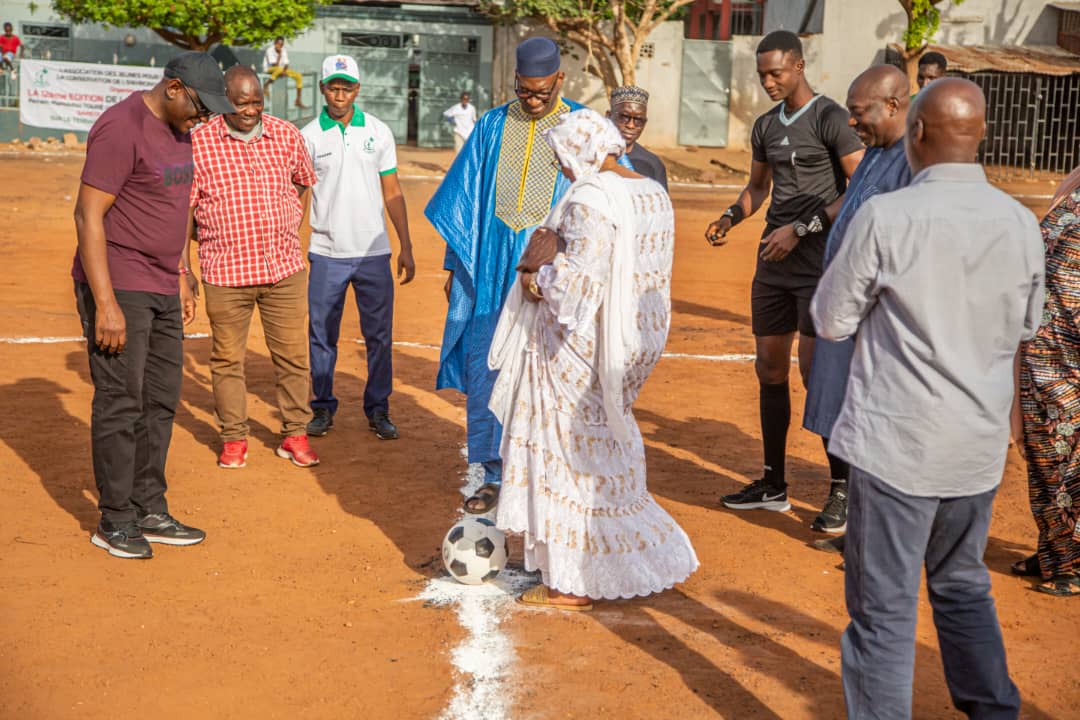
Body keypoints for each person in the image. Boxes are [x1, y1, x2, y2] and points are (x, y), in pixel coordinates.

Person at [813, 78, 1041, 719]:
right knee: (964, 586)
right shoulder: (1021, 223)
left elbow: (831, 319)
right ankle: (993, 710)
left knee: (882, 612)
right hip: (974, 449)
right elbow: (1028, 324)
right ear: (982, 135)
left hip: (896, 447)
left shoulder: (889, 216)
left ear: (915, 133)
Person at [491, 108, 698, 609]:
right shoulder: (652, 192)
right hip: (634, 343)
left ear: (578, 150)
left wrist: (532, 273)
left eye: (562, 158)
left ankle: (569, 581)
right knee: (608, 443)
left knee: (564, 449)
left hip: (580, 349)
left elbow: (575, 292)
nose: (562, 169)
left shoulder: (588, 199)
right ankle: (617, 556)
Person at [72, 52, 235, 559]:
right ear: (173, 88)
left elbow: (172, 210)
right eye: (199, 105)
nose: (204, 116)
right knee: (120, 401)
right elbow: (87, 215)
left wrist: (182, 274)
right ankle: (115, 519)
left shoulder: (182, 132)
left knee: (160, 400)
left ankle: (148, 506)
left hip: (164, 284)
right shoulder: (121, 127)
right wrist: (106, 303)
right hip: (120, 284)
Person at [426, 37, 592, 514]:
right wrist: (456, 267)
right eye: (525, 90)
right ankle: (494, 475)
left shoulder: (582, 127)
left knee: (548, 371)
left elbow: (607, 192)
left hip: (553, 272)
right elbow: (464, 200)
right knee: (487, 366)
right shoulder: (493, 124)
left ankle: (546, 474)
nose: (533, 99)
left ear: (561, 79)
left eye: (542, 91)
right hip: (492, 264)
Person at [704, 30, 864, 517]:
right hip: (773, 265)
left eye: (776, 72)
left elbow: (859, 186)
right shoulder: (765, 125)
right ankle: (774, 484)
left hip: (820, 266)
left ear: (798, 66)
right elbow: (757, 188)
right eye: (762, 75)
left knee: (819, 377)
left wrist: (803, 226)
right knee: (769, 370)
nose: (768, 82)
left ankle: (840, 488)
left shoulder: (831, 117)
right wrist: (731, 215)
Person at [803, 65, 913, 544]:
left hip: (875, 321)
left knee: (875, 425)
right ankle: (853, 507)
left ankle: (874, 529)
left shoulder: (914, 160)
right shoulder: (874, 154)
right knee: (836, 411)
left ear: (892, 105)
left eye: (859, 112)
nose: (851, 123)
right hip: (844, 311)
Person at [190, 65, 319, 469]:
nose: (250, 109)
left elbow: (302, 181)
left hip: (284, 268)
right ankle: (234, 438)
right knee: (228, 359)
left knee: (293, 356)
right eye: (241, 102)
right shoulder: (198, 142)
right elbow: (184, 209)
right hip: (225, 272)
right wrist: (193, 256)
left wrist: (286, 225)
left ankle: (295, 434)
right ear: (224, 98)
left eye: (257, 101)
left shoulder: (286, 134)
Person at [301, 55, 415, 441]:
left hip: (373, 252)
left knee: (379, 336)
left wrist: (406, 245)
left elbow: (393, 191)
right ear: (322, 89)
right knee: (321, 335)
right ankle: (321, 408)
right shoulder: (309, 136)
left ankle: (378, 408)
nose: (339, 94)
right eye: (333, 87)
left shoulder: (379, 132)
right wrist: (289, 240)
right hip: (326, 251)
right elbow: (299, 194)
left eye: (346, 87)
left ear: (358, 89)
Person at [1016, 164, 1080, 597]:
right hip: (1041, 344)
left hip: (1073, 352)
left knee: (1073, 455)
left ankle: (1074, 563)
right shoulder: (1074, 180)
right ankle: (1054, 549)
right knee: (1042, 452)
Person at [607, 85, 667, 191]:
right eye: (624, 117)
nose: (631, 125)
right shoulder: (591, 156)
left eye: (638, 120)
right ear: (608, 116)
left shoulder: (652, 164)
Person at [263, 36, 308, 109]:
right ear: (275, 43)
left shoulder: (283, 50)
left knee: (298, 76)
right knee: (279, 69)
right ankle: (266, 85)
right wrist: (279, 56)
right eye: (278, 44)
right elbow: (274, 64)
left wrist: (284, 71)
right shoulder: (270, 50)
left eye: (281, 44)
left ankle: (298, 100)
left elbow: (286, 63)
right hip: (270, 69)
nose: (280, 46)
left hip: (281, 70)